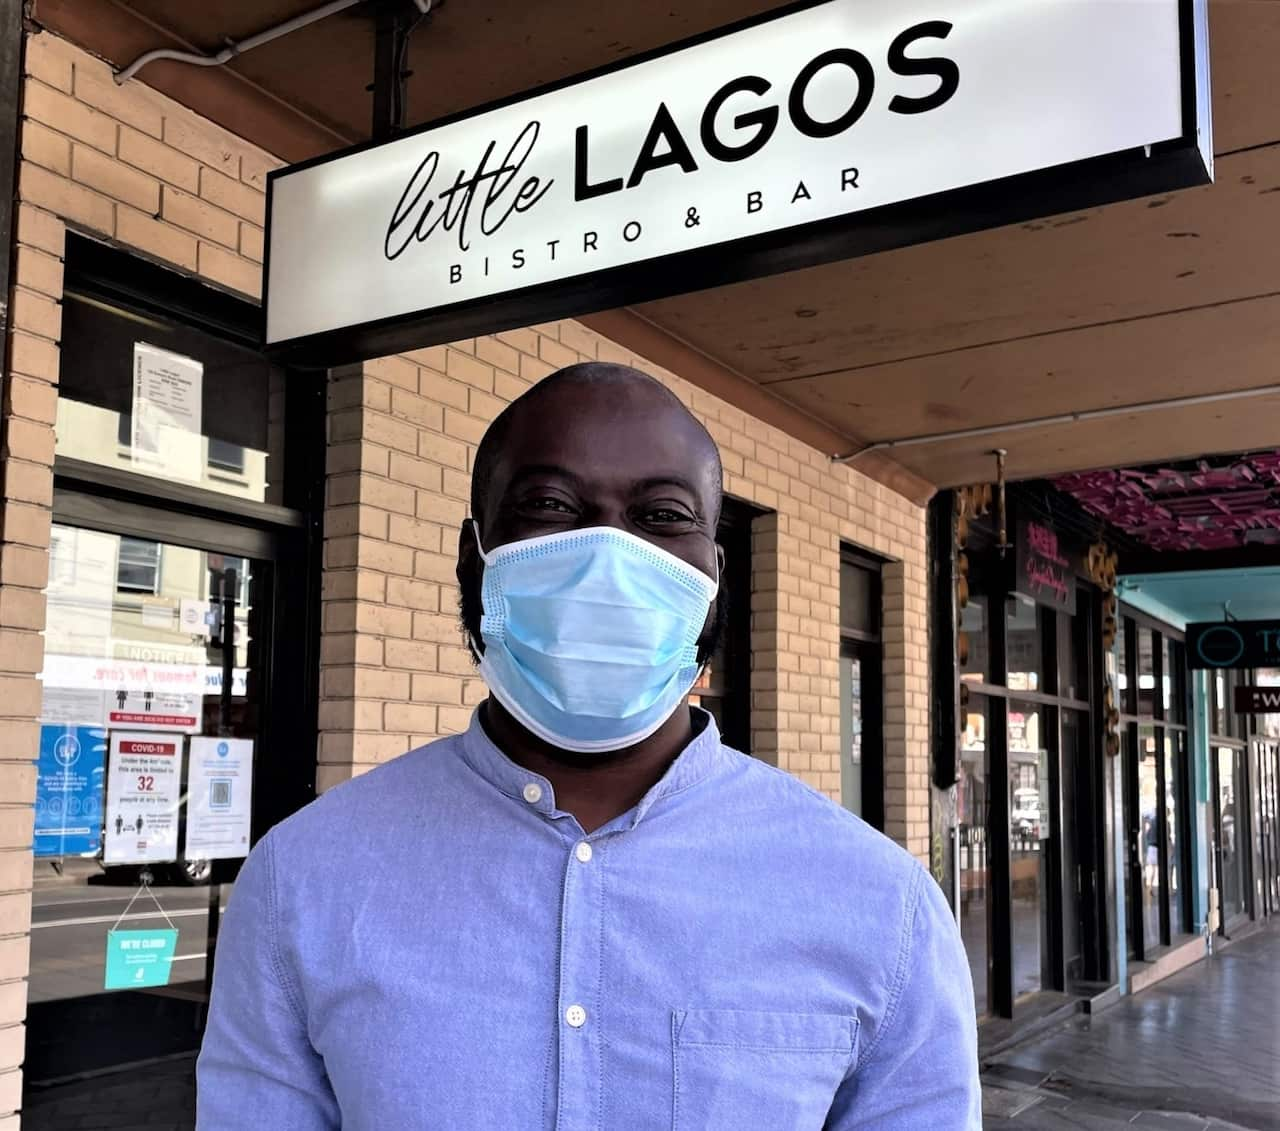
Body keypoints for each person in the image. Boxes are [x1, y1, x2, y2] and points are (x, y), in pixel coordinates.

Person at [197, 363, 980, 1129]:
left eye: (663, 514)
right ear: (474, 560)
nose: (608, 554)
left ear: (713, 575)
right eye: (548, 503)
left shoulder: (882, 907)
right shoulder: (301, 881)